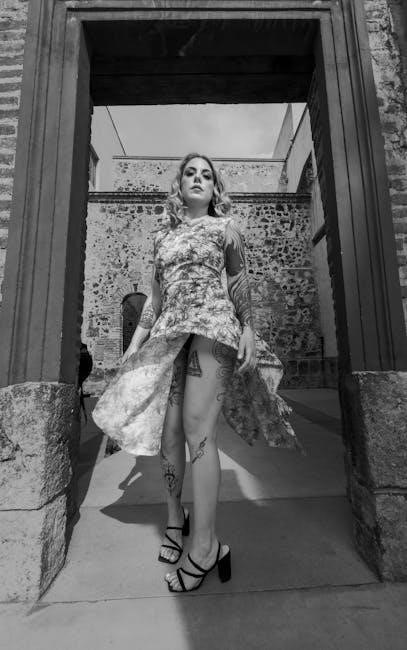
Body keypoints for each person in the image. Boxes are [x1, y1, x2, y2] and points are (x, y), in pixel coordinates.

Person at [92, 152, 301, 593]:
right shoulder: (162, 237)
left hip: (213, 328)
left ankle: (205, 548)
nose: (199, 179)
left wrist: (248, 328)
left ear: (215, 188)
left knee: (197, 431)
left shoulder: (224, 229)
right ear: (180, 184)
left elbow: (239, 280)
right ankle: (177, 519)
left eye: (207, 175)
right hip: (171, 333)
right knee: (169, 434)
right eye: (191, 173)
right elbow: (154, 300)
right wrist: (133, 347)